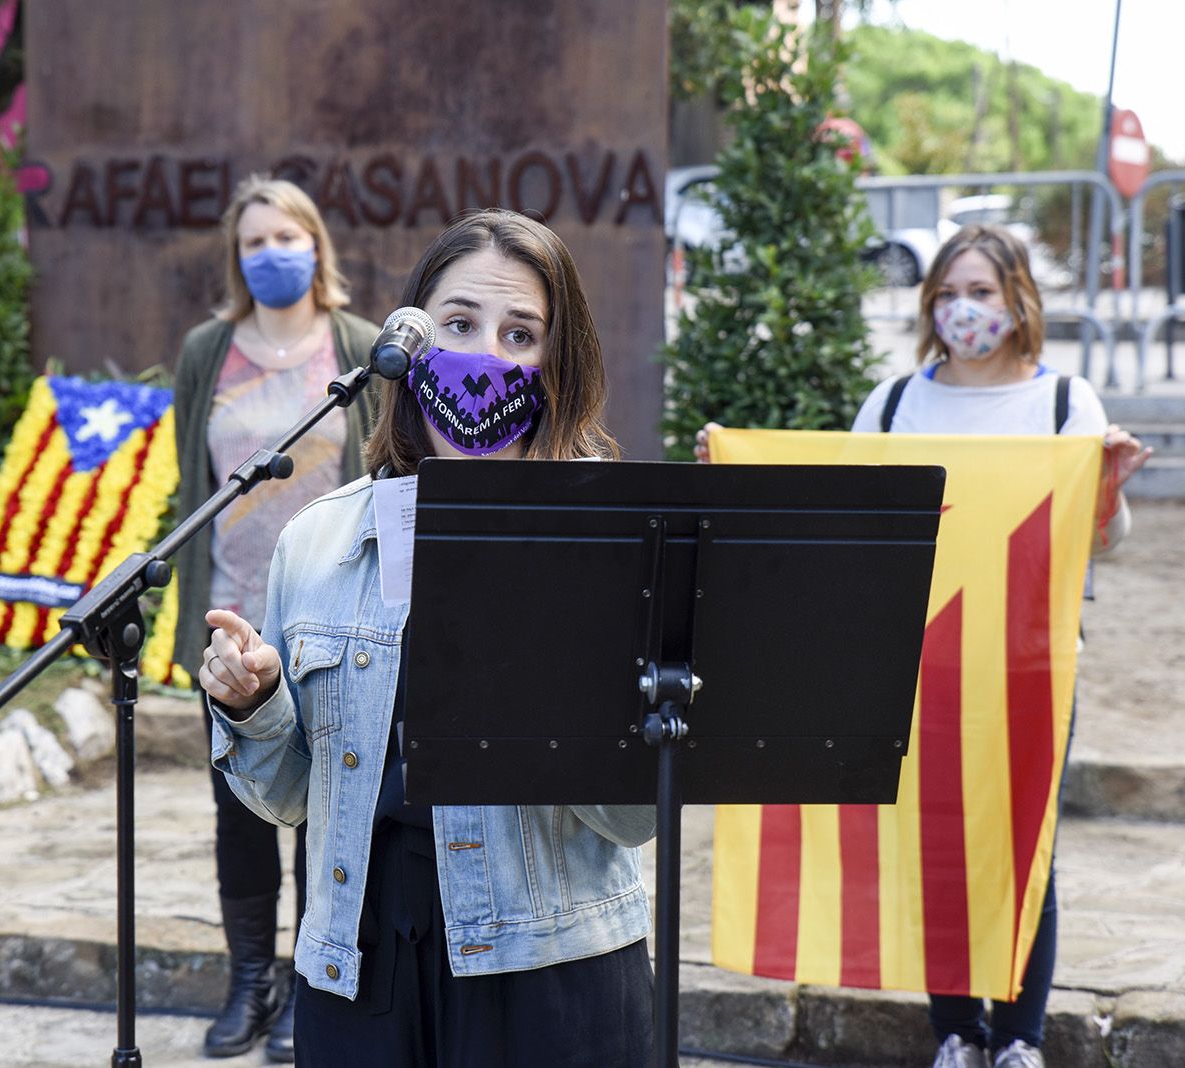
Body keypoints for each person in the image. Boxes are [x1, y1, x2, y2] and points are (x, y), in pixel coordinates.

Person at [200, 209, 658, 1067]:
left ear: (559, 364)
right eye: (457, 324)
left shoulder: (613, 539)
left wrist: (546, 656)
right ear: (406, 348)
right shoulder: (320, 541)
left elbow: (633, 818)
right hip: (359, 966)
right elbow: (291, 800)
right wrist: (256, 705)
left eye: (520, 333)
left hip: (549, 967)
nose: (486, 355)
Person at [698, 224, 1150, 1068]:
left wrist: (1109, 496)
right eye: (946, 293)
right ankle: (958, 1033)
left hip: (1028, 664)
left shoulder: (1065, 404)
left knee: (1023, 846)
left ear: (1019, 301)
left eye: (980, 292)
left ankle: (1017, 1039)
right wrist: (737, 470)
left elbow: (1102, 541)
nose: (961, 310)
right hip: (922, 653)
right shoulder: (897, 402)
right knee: (941, 841)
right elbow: (846, 519)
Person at [171, 175, 380, 1061]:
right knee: (240, 813)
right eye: (254, 242)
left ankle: (308, 983)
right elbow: (191, 484)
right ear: (236, 256)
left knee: (323, 810)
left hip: (328, 625)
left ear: (317, 246)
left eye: (286, 236)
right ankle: (249, 978)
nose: (271, 255)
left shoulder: (359, 347)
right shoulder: (205, 350)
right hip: (231, 619)